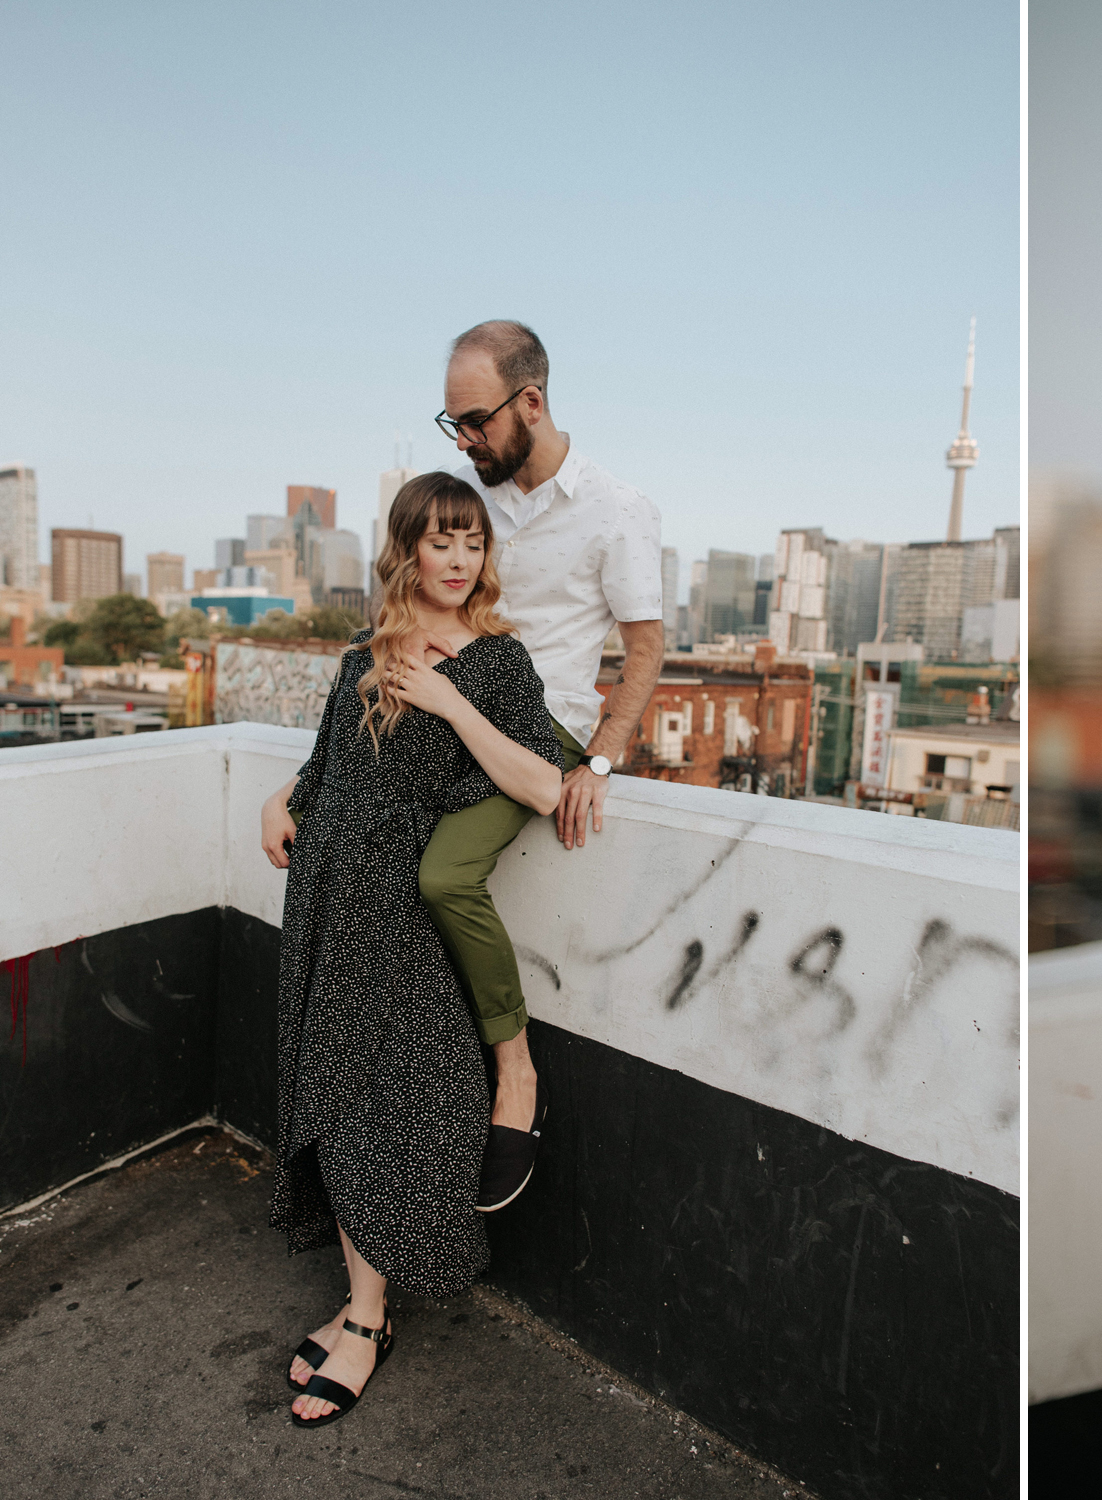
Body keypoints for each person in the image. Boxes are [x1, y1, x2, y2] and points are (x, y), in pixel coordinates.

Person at [260, 320, 667, 1211]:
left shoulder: (616, 509)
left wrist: (600, 762)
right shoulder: (476, 504)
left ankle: (515, 1075)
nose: (465, 439)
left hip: (539, 728)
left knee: (443, 875)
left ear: (530, 402)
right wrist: (297, 788)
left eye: (473, 420)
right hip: (448, 710)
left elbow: (645, 646)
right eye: (451, 425)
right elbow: (393, 673)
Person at [266, 472, 570, 1425]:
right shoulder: (365, 651)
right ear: (407, 548)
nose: (458, 559)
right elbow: (329, 766)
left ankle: (365, 1319)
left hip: (400, 912)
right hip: (325, 901)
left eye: (472, 543)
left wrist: (446, 701)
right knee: (333, 1098)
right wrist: (282, 800)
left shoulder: (498, 664)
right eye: (441, 541)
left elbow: (543, 786)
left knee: (388, 1105)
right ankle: (365, 1307)